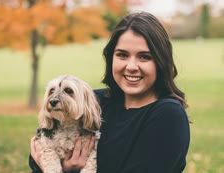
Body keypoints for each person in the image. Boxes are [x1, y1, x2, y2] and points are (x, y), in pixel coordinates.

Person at [29, 11, 190, 173]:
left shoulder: (168, 115)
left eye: (144, 57)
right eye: (122, 55)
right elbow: (38, 153)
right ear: (111, 58)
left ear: (160, 61)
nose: (131, 67)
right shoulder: (95, 101)